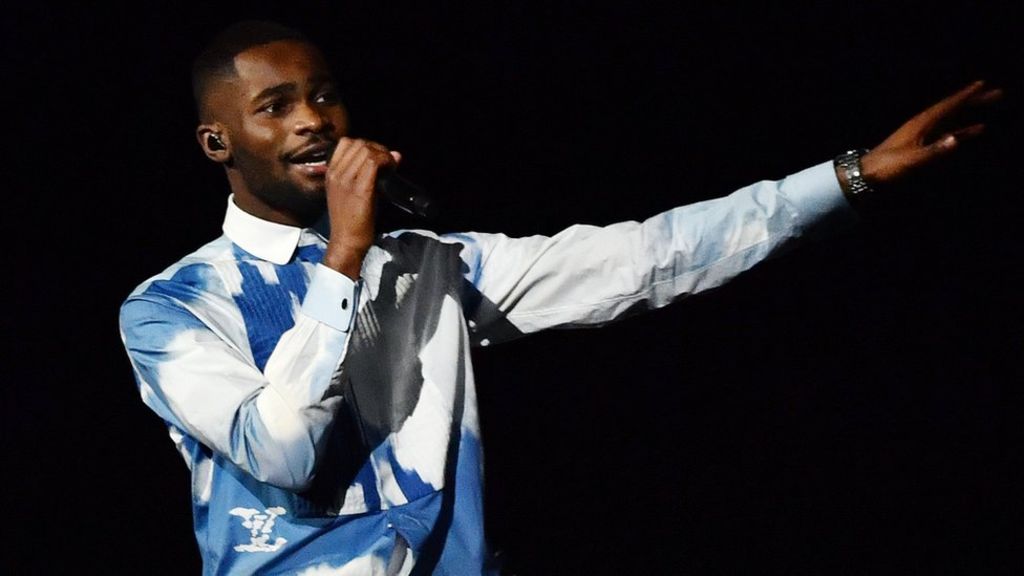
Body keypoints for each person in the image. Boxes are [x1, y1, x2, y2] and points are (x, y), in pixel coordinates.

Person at [118, 19, 1002, 576]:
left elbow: (650, 258)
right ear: (217, 142)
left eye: (324, 96)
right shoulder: (170, 309)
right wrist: (344, 256)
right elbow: (280, 449)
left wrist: (850, 176)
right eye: (276, 107)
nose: (314, 119)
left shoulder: (430, 265)